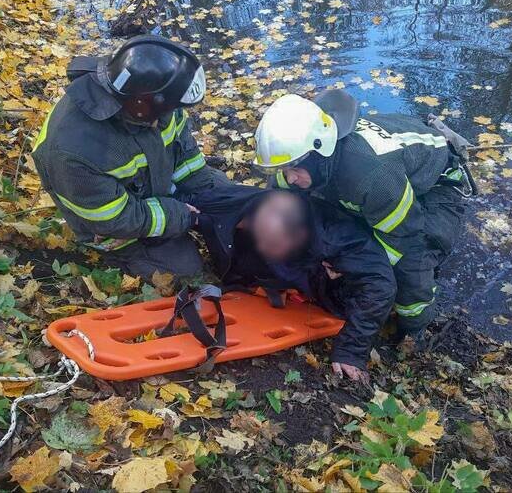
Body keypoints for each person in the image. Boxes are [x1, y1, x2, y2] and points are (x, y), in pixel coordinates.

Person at [252, 90, 473, 344]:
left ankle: (414, 330)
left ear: (319, 153)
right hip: (388, 176)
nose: (290, 177)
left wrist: (352, 266)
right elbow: (278, 195)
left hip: (433, 188)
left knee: (411, 265)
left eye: (295, 170)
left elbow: (402, 232)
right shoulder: (305, 162)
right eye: (285, 169)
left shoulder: (372, 178)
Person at [32, 34, 218, 280]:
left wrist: (209, 197)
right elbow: (114, 220)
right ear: (141, 106)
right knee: (186, 270)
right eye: (170, 109)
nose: (172, 115)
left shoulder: (151, 96)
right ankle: (125, 257)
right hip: (116, 228)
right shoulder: (73, 152)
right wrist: (180, 215)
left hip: (152, 188)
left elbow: (185, 155)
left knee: (223, 191)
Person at [190, 184, 397, 383]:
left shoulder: (333, 239)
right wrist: (184, 217)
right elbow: (194, 204)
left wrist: (350, 352)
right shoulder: (239, 206)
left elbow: (381, 287)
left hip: (345, 287)